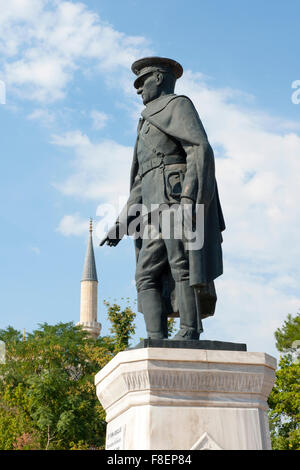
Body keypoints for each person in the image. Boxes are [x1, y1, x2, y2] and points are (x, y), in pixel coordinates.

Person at [100, 57, 225, 341]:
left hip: (176, 198)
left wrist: (190, 199)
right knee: (145, 274)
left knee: (181, 264)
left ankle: (189, 330)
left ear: (158, 78)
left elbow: (199, 148)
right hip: (152, 209)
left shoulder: (178, 105)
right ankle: (155, 340)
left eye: (142, 82)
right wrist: (122, 224)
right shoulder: (145, 122)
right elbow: (141, 180)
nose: (139, 90)